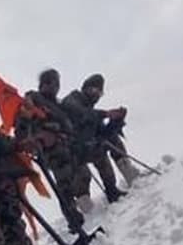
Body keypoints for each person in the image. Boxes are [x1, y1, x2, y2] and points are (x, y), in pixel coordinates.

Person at [15, 69, 89, 227]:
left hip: (67, 146)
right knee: (64, 183)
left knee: (83, 172)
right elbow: (21, 127)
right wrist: (37, 136)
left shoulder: (59, 106)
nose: (53, 86)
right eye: (49, 82)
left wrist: (66, 134)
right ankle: (73, 218)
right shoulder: (33, 98)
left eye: (56, 83)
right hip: (49, 149)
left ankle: (84, 203)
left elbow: (68, 127)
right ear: (42, 84)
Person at [63, 73, 127, 204]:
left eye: (99, 92)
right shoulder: (72, 100)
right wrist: (106, 114)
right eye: (94, 90)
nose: (96, 95)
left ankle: (113, 189)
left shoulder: (93, 113)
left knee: (104, 147)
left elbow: (104, 133)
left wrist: (116, 121)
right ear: (85, 88)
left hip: (86, 148)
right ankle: (84, 201)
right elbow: (81, 114)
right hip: (69, 150)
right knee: (82, 173)